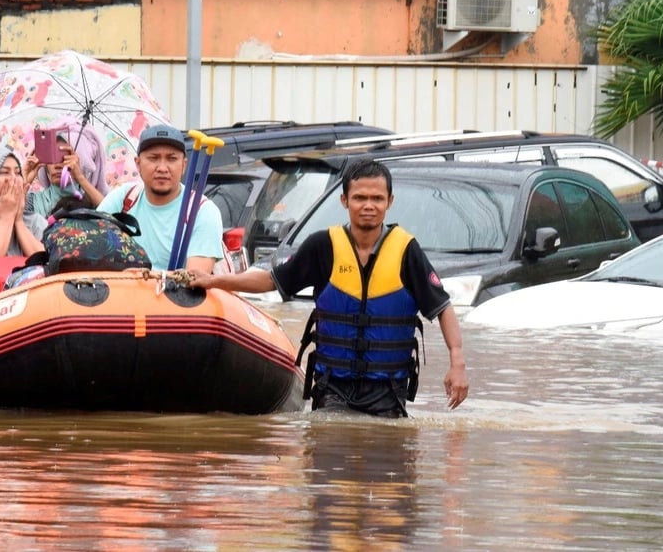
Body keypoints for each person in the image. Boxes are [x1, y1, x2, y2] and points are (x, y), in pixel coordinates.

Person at [188, 159, 468, 417]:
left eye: (376, 198)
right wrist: (214, 280)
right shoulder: (322, 246)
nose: (368, 205)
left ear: (389, 202)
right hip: (332, 387)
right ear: (344, 200)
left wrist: (458, 363)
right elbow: (272, 280)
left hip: (388, 392)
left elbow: (442, 308)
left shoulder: (407, 250)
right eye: (359, 198)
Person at [96, 125, 223, 273]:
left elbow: (194, 280)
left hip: (175, 295)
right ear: (137, 163)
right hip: (125, 293)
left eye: (172, 159)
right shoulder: (124, 198)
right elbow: (92, 244)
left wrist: (142, 278)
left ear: (183, 165)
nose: (162, 168)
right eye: (153, 158)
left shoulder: (201, 210)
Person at [25, 133, 106, 213]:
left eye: (64, 158)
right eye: (52, 160)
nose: (57, 166)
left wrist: (80, 177)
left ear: (78, 164)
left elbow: (110, 215)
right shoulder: (33, 202)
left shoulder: (91, 201)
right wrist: (25, 177)